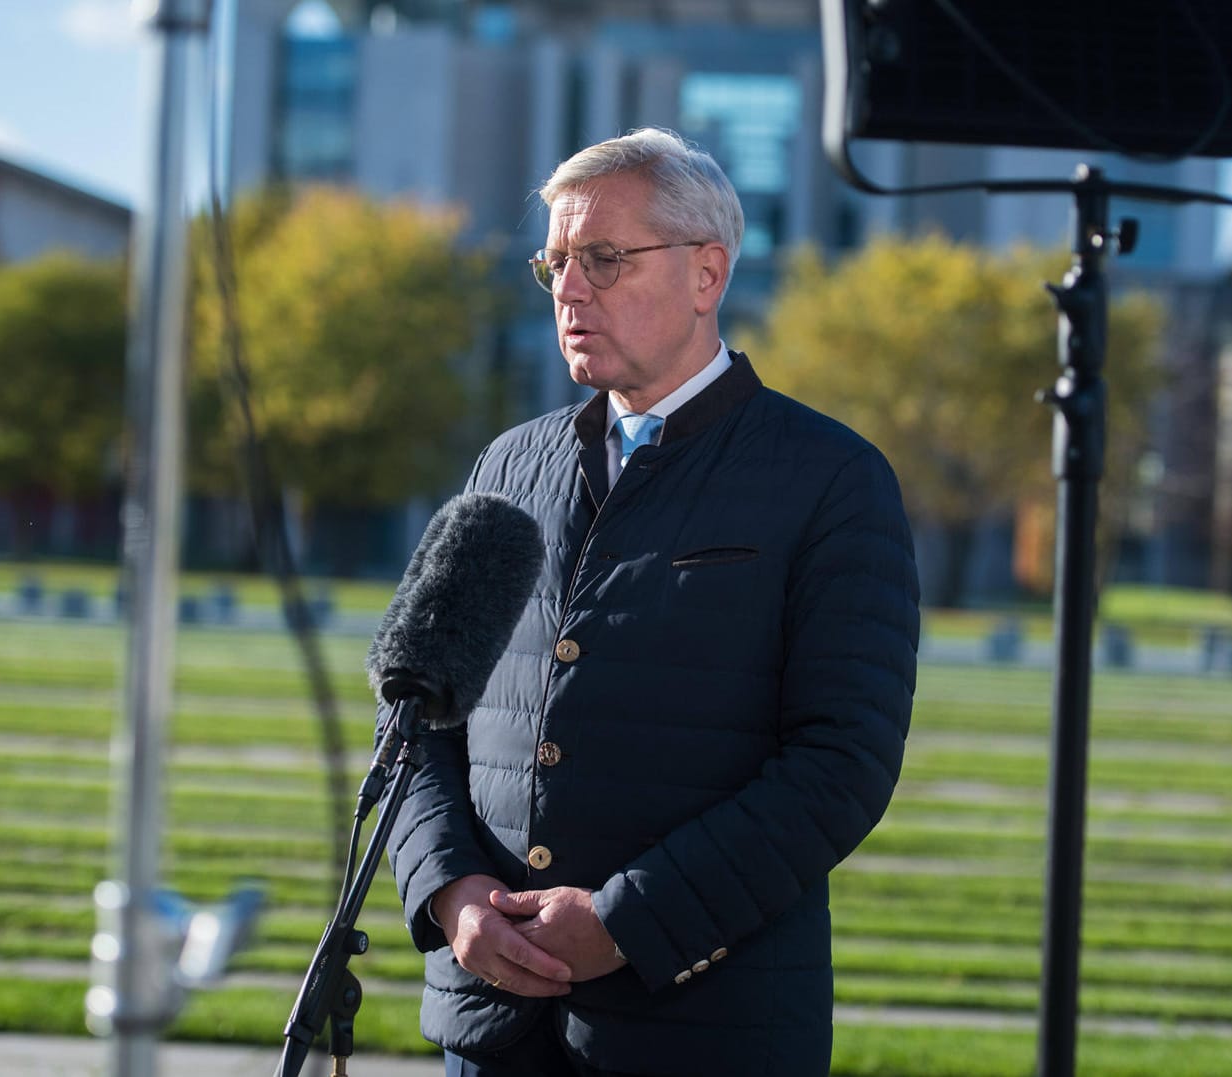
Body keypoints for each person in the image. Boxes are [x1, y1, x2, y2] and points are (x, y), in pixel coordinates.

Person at [387, 128, 919, 1077]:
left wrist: (626, 922)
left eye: (604, 258)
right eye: (556, 260)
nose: (569, 287)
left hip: (702, 1031)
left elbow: (842, 761)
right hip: (491, 1025)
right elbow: (416, 717)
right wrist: (453, 895)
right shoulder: (507, 464)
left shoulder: (833, 478)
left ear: (707, 273)